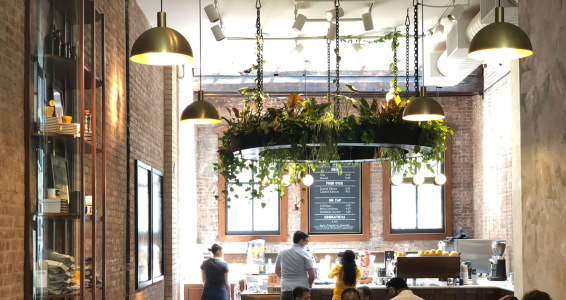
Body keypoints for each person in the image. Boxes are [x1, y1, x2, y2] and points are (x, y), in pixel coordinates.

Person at [275, 231, 316, 300]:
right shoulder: (306, 254)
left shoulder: (282, 252)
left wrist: (284, 279)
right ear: (301, 241)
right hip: (302, 290)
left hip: (286, 288)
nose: (307, 244)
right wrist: (309, 285)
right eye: (306, 241)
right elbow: (312, 275)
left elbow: (277, 271)